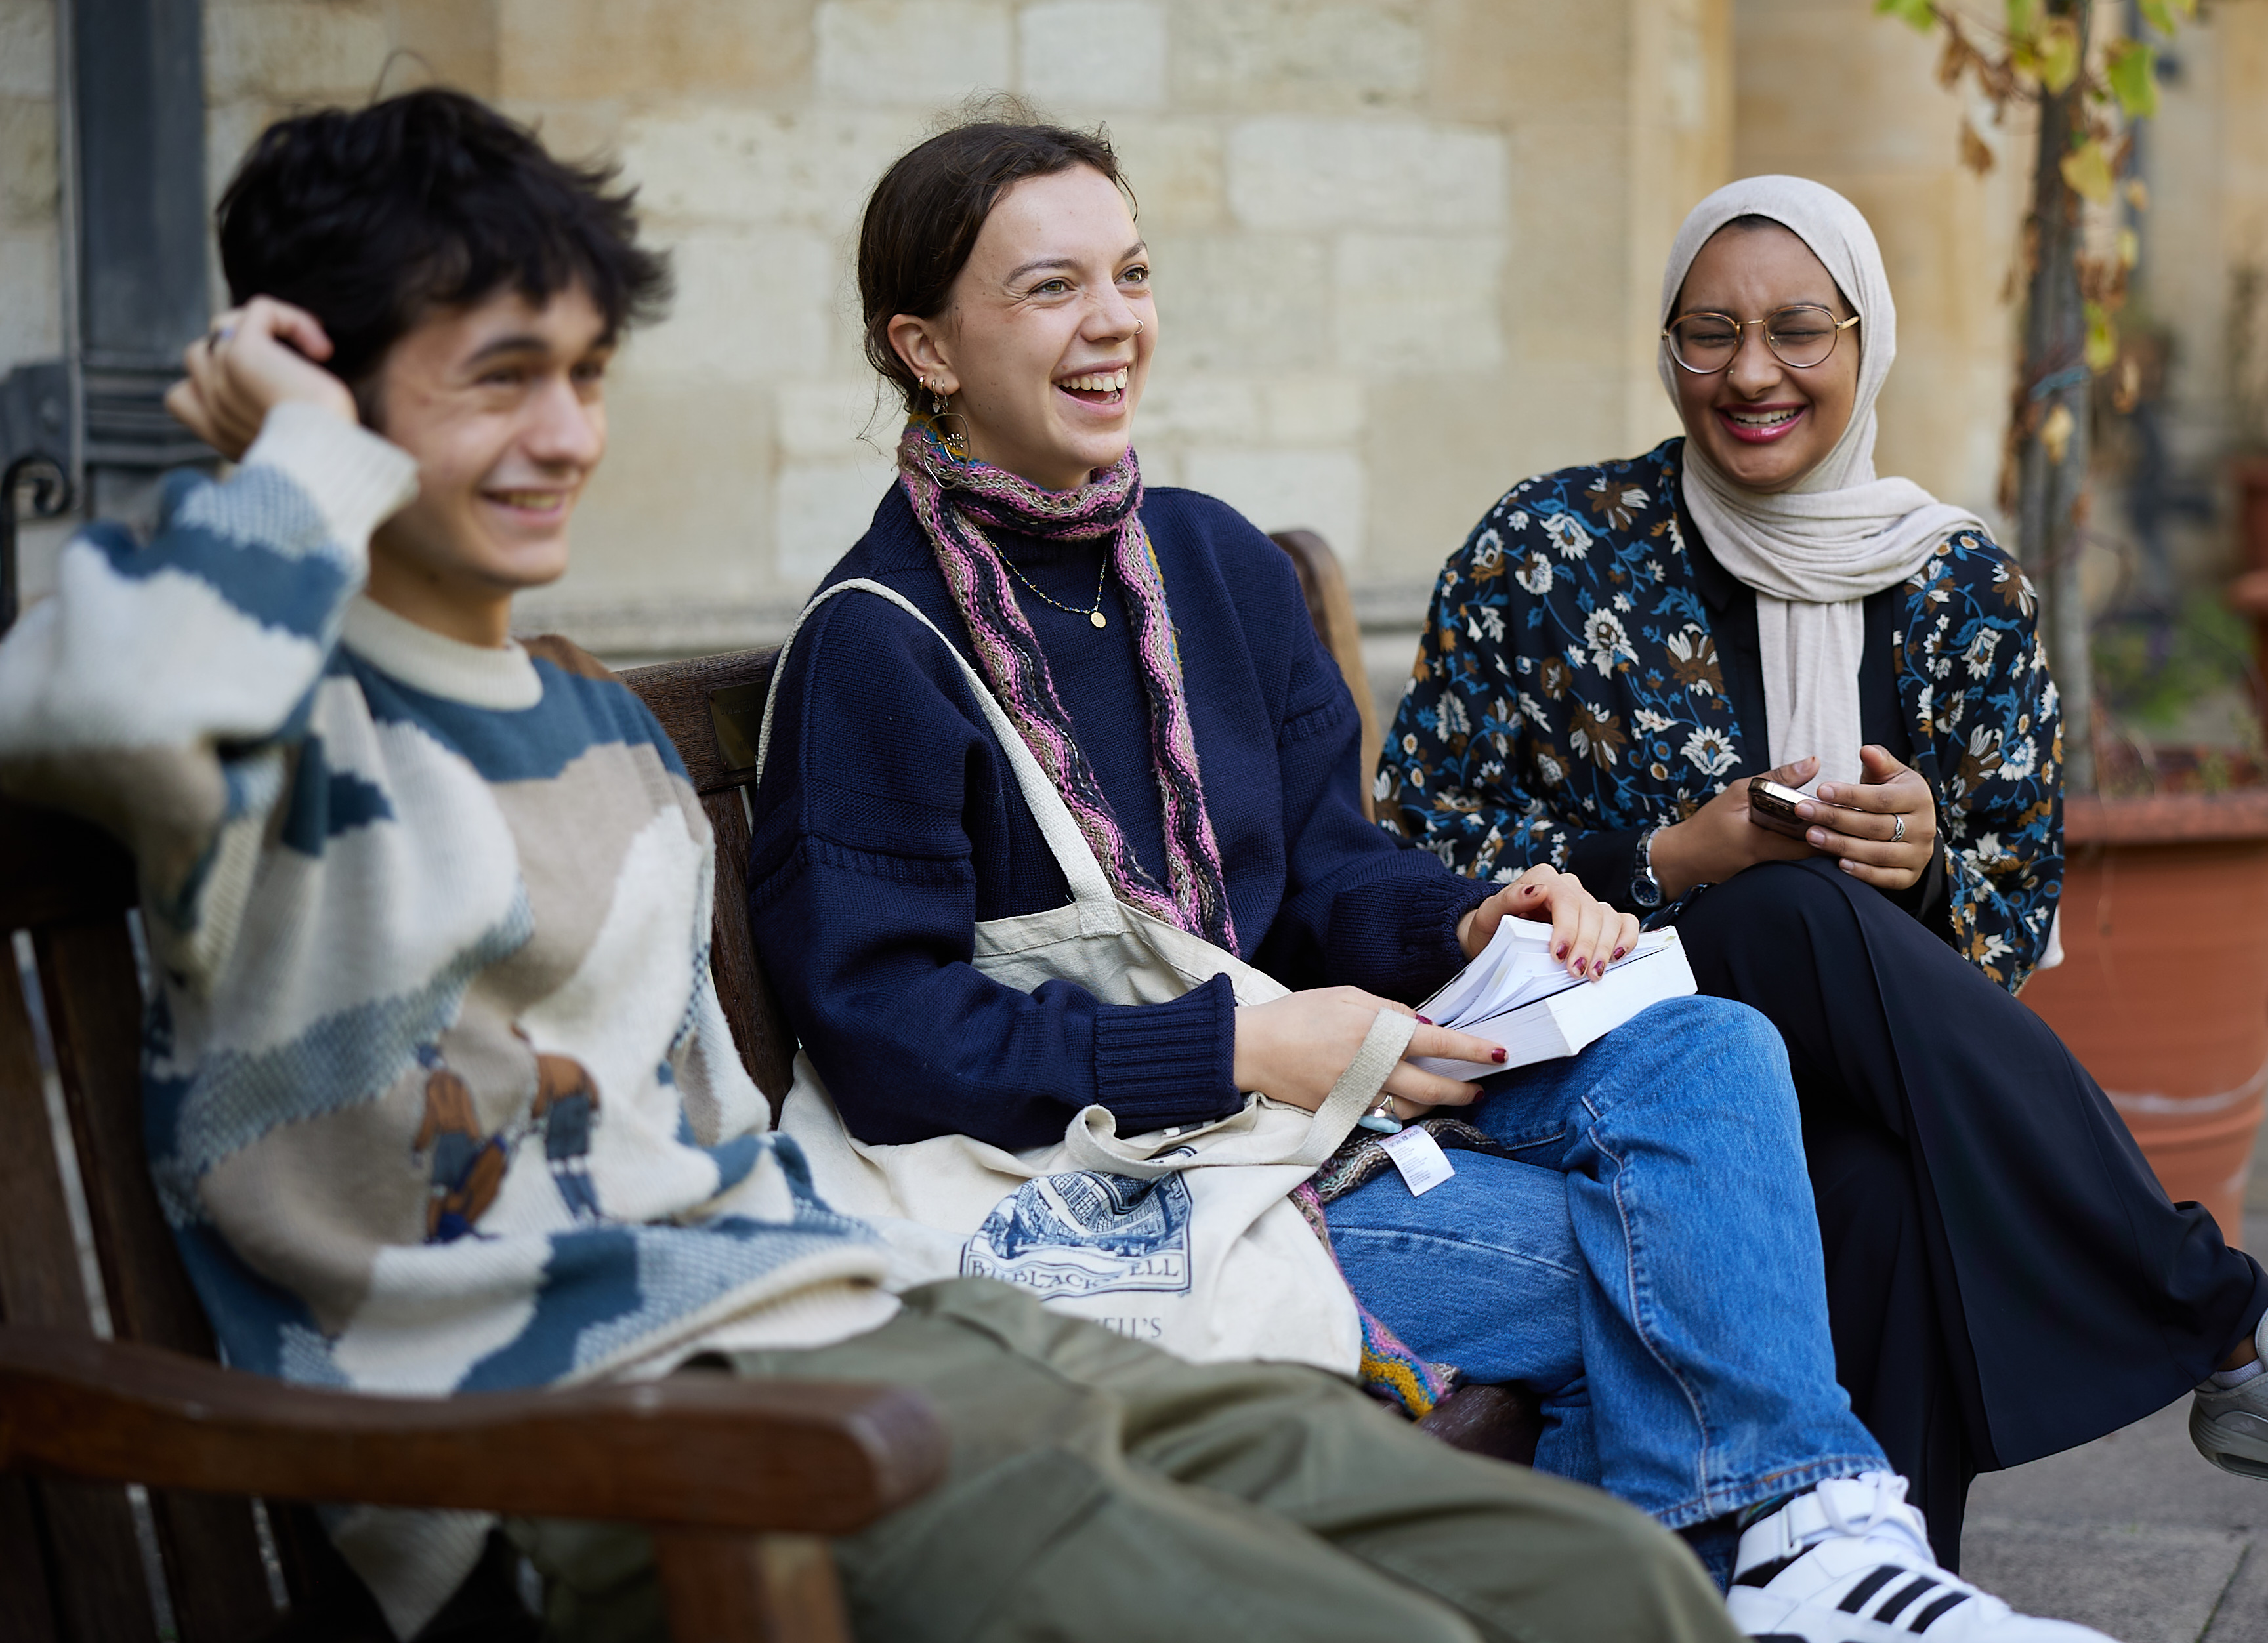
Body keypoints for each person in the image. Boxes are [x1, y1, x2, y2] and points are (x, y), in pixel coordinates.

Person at [0, 89, 1746, 1643]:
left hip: (844, 1315)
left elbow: (698, 1144)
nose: (565, 441)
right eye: (494, 379)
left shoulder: (591, 727)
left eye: (587, 374)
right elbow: (76, 703)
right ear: (322, 383)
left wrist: (1460, 916)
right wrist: (289, 457)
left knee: (1605, 1584)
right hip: (581, 1436)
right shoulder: (262, 735)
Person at [750, 112, 2119, 1643]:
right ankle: (1790, 1559)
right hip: (1112, 1192)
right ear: (924, 347)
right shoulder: (879, 644)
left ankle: (1796, 1555)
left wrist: (1472, 913)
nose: (1113, 321)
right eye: (1050, 288)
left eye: (1129, 273)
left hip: (1291, 1120)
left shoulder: (1209, 564)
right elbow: (883, 1035)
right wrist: (1241, 1044)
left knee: (1709, 1045)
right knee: (1674, 1274)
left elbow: (1326, 868)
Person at [1378, 175, 2268, 1560]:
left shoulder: (1960, 589)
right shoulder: (1550, 553)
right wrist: (1666, 855)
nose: (1751, 373)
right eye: (1707, 335)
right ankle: (2239, 1329)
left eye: (1797, 331)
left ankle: (1874, 1579)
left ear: (1865, 336)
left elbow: (2007, 923)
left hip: (1843, 1079)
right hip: (1593, 1051)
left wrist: (1933, 868)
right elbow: (1411, 851)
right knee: (1776, 902)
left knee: (1886, 1176)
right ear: (1667, 349)